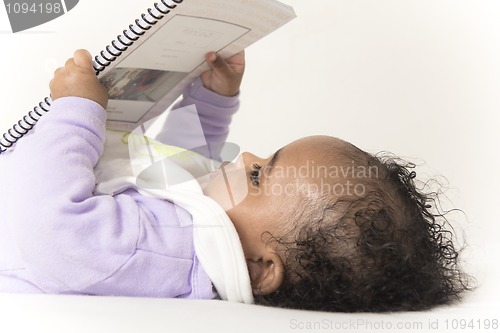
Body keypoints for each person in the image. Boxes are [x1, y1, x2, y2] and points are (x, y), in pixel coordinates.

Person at [0, 49, 470, 312]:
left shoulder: (166, 248)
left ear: (263, 268)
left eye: (261, 175)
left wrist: (75, 114)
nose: (245, 156)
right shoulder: (203, 243)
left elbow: (50, 228)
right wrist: (212, 100)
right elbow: (182, 168)